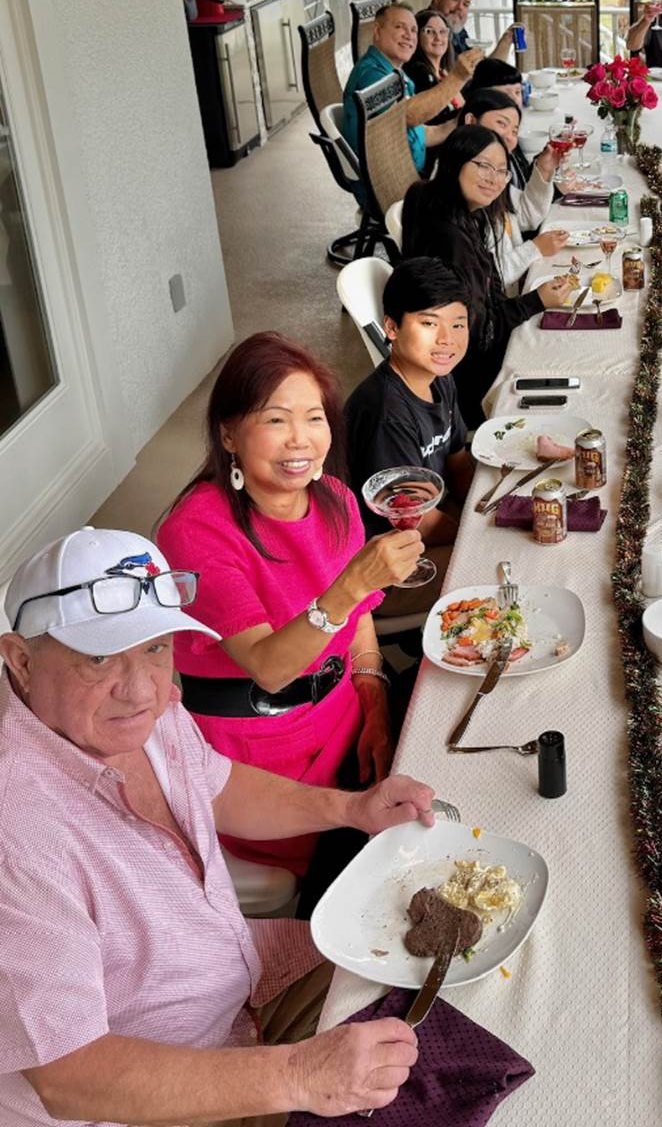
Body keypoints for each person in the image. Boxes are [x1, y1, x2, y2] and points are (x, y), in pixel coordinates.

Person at [0, 525, 437, 1124]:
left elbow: (212, 780)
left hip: (233, 987)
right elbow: (69, 1076)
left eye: (155, 646)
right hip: (130, 1103)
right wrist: (302, 1074)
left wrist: (349, 809)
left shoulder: (119, 710)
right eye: (98, 656)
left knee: (428, 961)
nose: (144, 689)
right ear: (20, 659)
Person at [156, 333, 422, 909]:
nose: (301, 440)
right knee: (385, 885)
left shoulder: (333, 496)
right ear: (229, 433)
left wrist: (372, 694)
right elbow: (271, 667)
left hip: (344, 720)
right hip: (260, 760)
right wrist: (355, 581)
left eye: (314, 418)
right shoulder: (195, 532)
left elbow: (361, 623)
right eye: (276, 419)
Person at [401, 125, 575, 425]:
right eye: (483, 166)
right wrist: (535, 301)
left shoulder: (450, 208)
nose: (494, 179)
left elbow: (488, 289)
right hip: (464, 380)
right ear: (456, 161)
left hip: (453, 359)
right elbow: (482, 334)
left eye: (502, 171)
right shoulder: (451, 239)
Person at [344, 258, 477, 615]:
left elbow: (458, 460)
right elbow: (417, 519)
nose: (447, 339)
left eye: (458, 324)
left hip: (429, 526)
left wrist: (481, 510)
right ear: (392, 327)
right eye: (429, 324)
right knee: (489, 568)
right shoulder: (387, 413)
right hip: (390, 568)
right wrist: (477, 536)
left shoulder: (439, 377)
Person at [340, 3, 480, 181]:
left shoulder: (395, 73)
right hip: (392, 185)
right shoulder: (372, 74)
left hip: (409, 172)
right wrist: (457, 77)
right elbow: (408, 116)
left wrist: (460, 119)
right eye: (399, 27)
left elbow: (421, 132)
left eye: (414, 30)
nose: (409, 36)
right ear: (377, 31)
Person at [457, 89, 567, 290]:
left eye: (514, 131)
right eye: (501, 124)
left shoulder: (496, 174)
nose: (509, 137)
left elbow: (525, 216)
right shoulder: (468, 187)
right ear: (471, 121)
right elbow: (488, 279)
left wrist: (543, 170)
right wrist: (534, 249)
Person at [402, 8, 459, 173]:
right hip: (434, 158)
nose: (438, 37)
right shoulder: (419, 72)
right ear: (417, 37)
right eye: (429, 32)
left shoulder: (442, 71)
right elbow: (436, 121)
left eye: (443, 31)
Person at [430, 0, 518, 62]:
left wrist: (507, 39)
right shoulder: (426, 28)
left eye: (465, 4)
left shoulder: (455, 27)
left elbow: (483, 70)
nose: (460, 7)